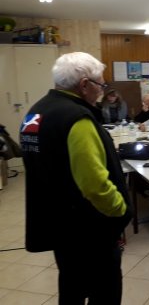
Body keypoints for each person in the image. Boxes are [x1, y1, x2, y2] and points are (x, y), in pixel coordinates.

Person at [19, 52, 131, 304]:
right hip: (87, 230)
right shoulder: (76, 118)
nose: (102, 92)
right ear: (84, 85)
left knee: (72, 287)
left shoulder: (35, 113)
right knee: (105, 292)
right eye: (101, 85)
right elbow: (95, 185)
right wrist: (120, 211)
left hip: (58, 223)